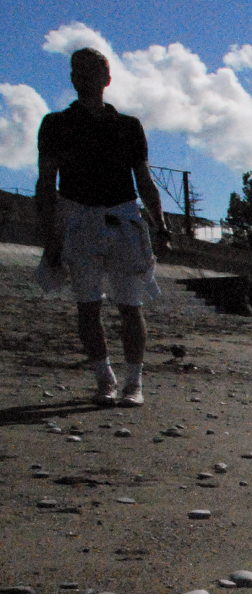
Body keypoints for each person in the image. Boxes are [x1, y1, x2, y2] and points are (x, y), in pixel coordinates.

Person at [35, 47, 170, 408]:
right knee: (88, 305)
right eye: (78, 70)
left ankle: (134, 382)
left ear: (106, 78)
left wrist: (160, 224)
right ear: (72, 78)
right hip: (77, 218)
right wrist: (50, 236)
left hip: (123, 217)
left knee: (131, 304)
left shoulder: (128, 126)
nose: (85, 77)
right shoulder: (55, 124)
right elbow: (45, 184)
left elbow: (144, 180)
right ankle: (105, 379)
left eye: (93, 70)